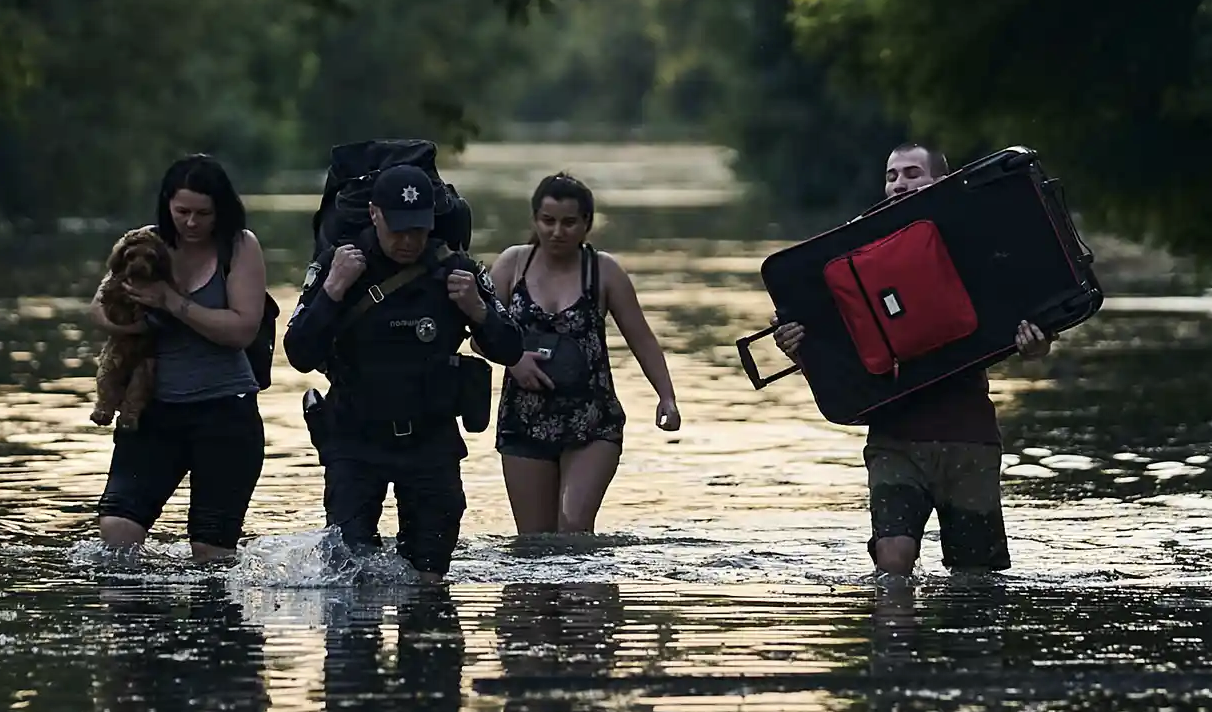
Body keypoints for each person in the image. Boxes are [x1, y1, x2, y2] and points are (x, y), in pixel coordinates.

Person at [772, 142, 1055, 577]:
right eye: (891, 176)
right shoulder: (856, 251)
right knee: (893, 562)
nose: (900, 184)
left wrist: (1035, 344)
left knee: (975, 576)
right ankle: (896, 638)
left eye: (911, 173)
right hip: (894, 437)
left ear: (940, 182)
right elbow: (838, 354)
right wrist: (799, 347)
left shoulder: (975, 240)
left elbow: (1022, 316)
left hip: (968, 436)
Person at [283, 164, 523, 583]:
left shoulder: (456, 269)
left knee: (430, 579)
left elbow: (511, 348)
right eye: (398, 229)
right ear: (374, 214)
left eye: (418, 229)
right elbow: (299, 353)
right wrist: (333, 290)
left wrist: (479, 311)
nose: (409, 240)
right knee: (349, 576)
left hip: (431, 443)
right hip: (354, 440)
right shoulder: (339, 265)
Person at [90, 153, 268, 563]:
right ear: (167, 204)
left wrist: (170, 302)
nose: (191, 223)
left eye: (203, 213)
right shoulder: (145, 243)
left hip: (225, 413)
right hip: (153, 412)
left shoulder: (240, 246)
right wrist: (133, 326)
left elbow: (242, 330)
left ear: (220, 209)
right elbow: (97, 307)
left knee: (210, 551)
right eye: (182, 211)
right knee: (117, 533)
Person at [480, 172, 681, 535]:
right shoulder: (512, 265)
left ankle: (587, 593)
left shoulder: (603, 272)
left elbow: (642, 339)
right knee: (535, 544)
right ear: (534, 220)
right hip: (524, 420)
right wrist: (514, 359)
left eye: (569, 222)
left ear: (587, 224)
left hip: (592, 421)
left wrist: (666, 396)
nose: (558, 231)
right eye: (548, 221)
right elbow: (480, 335)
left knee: (573, 529)